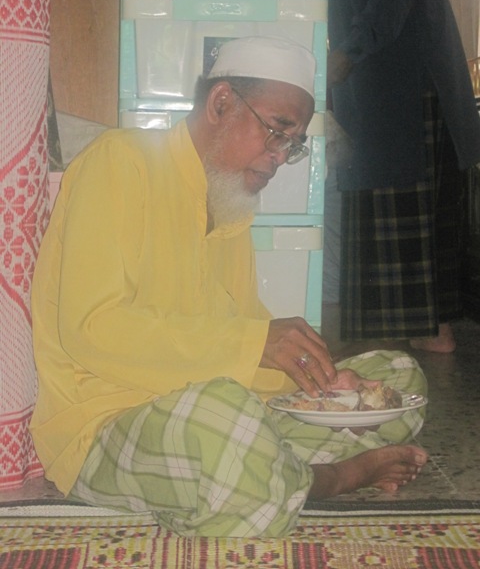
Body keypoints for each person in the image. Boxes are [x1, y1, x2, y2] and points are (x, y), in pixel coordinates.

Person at [30, 36, 428, 538]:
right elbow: (93, 330)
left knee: (397, 377)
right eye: (277, 131)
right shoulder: (119, 161)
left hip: (218, 414)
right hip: (107, 424)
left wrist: (318, 383)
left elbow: (242, 353)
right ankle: (333, 479)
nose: (280, 157)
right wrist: (255, 344)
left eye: (293, 144)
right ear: (221, 103)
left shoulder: (229, 205)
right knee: (224, 419)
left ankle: (267, 479)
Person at [327, 0, 480, 353]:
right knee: (395, 204)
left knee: (402, 203)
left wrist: (348, 51)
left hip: (402, 90)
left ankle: (428, 330)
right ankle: (418, 330)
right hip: (387, 87)